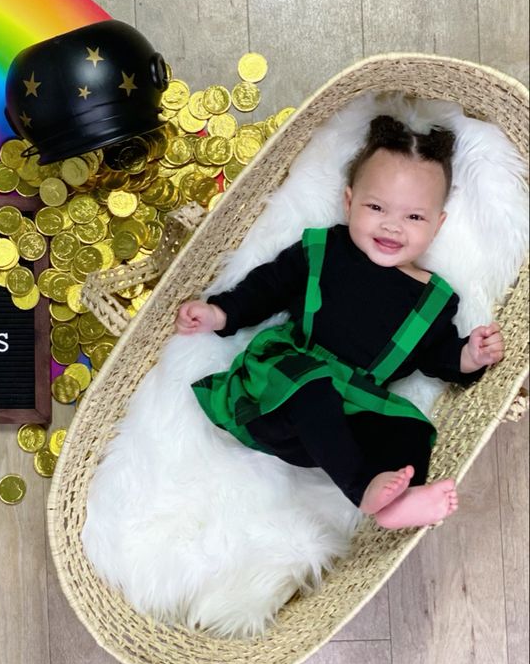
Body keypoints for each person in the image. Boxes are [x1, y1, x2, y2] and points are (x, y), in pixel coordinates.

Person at [176, 115, 505, 529]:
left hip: (346, 423)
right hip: (281, 392)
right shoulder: (325, 250)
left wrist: (470, 356)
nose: (392, 225)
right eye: (376, 207)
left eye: (414, 218)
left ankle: (399, 502)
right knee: (313, 384)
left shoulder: (433, 300)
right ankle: (362, 488)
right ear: (349, 203)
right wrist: (220, 312)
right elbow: (269, 286)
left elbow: (439, 356)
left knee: (412, 429)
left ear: (438, 225)